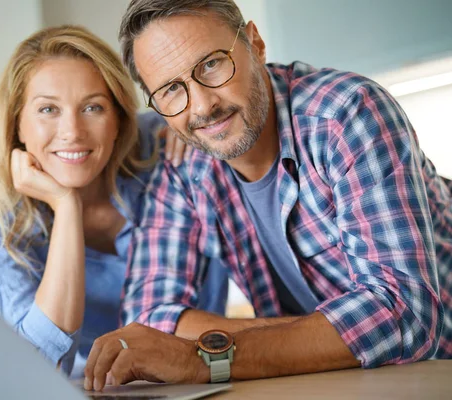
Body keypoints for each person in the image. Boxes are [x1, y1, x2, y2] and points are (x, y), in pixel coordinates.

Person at [83, 0, 452, 391]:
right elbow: (148, 318)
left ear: (255, 43)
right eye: (172, 90)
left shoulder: (346, 114)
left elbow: (405, 314)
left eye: (211, 64)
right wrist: (313, 336)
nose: (203, 105)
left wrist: (208, 355)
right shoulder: (183, 165)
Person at [0, 25, 228, 378]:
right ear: (16, 123)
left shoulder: (164, 143)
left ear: (118, 119)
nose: (73, 131)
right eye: (48, 109)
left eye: (92, 107)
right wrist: (66, 207)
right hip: (98, 386)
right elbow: (39, 367)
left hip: (206, 368)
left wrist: (193, 128)